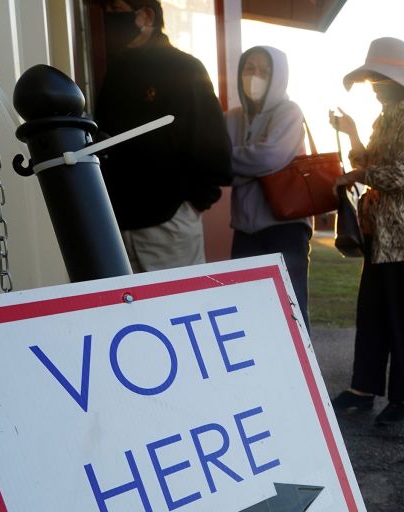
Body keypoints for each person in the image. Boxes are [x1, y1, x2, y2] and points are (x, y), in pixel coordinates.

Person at [329, 38, 404, 424]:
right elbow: (371, 160)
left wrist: (359, 173)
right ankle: (364, 388)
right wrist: (351, 133)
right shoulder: (389, 116)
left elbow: (403, 175)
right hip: (383, 236)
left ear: (400, 81)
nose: (376, 86)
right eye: (374, 79)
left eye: (381, 79)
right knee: (374, 314)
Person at [94, 0, 231, 272]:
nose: (107, 19)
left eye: (115, 11)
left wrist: (192, 204)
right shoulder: (115, 74)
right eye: (106, 12)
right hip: (117, 228)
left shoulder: (185, 69)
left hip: (169, 227)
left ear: (146, 16)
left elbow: (214, 149)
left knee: (182, 307)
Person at [225, 46, 312, 329]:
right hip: (245, 231)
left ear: (279, 76)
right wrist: (253, 166)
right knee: (246, 311)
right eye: (249, 68)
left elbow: (270, 156)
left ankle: (300, 373)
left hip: (285, 227)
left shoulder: (289, 111)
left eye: (264, 70)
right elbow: (220, 165)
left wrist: (237, 164)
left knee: (290, 309)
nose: (255, 76)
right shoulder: (232, 117)